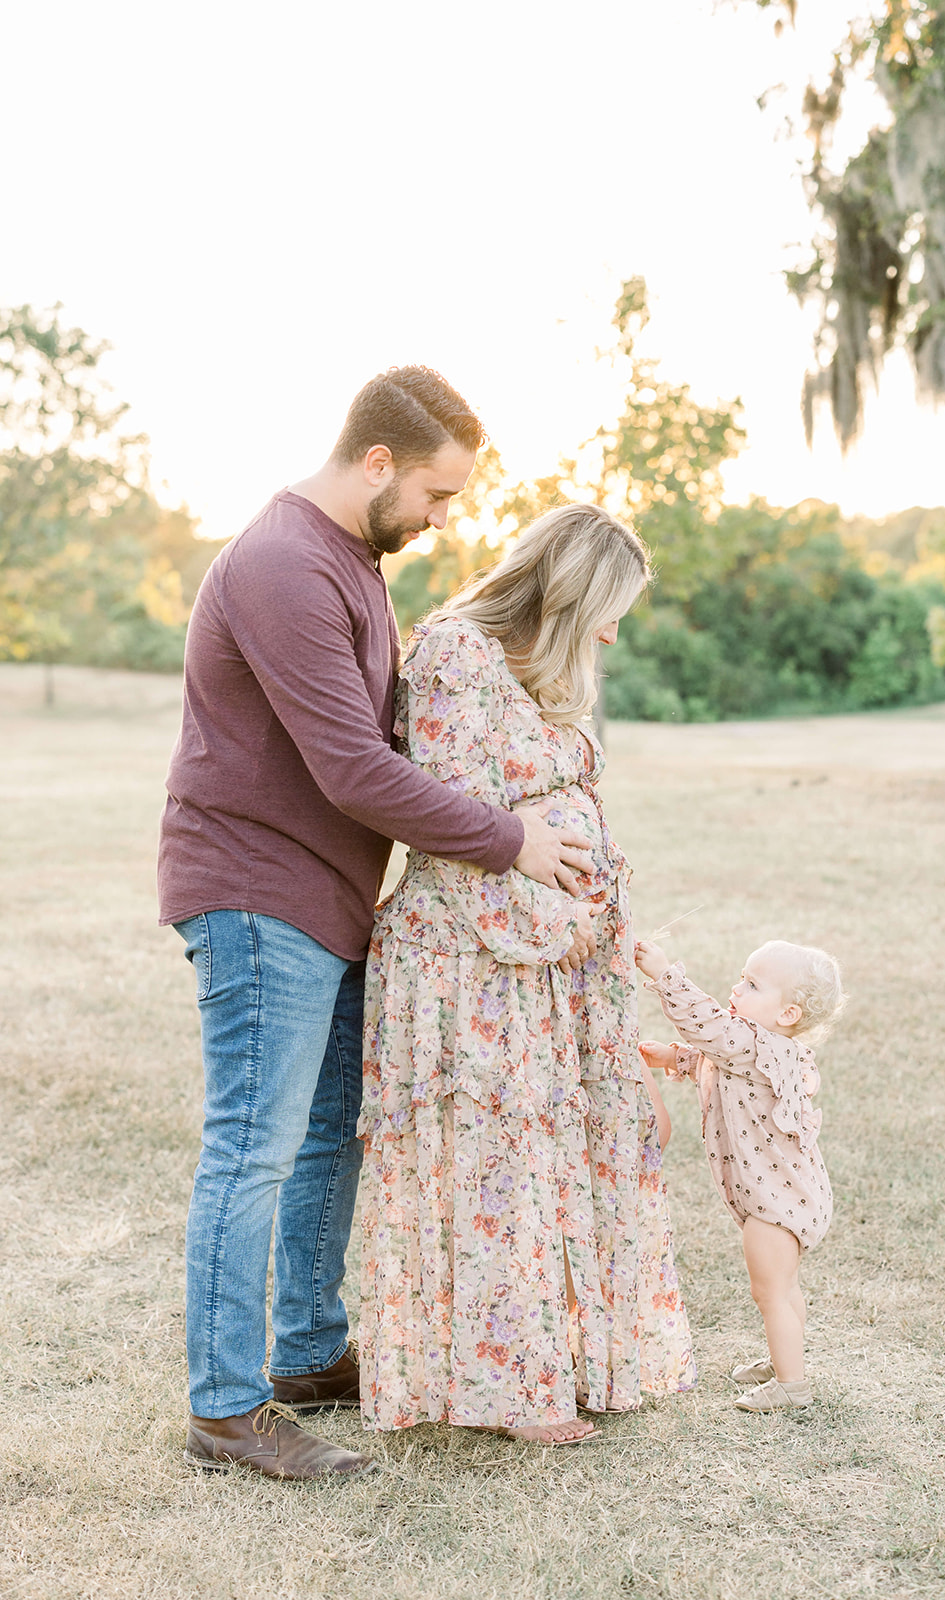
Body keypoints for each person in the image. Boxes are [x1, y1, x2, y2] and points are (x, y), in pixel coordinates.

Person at [158, 367, 594, 1481]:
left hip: (328, 898)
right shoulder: (283, 567)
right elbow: (354, 768)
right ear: (378, 462)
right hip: (259, 892)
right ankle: (225, 1413)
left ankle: (308, 1353)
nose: (442, 521)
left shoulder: (346, 561)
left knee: (319, 1135)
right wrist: (511, 839)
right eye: (436, 497)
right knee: (251, 1148)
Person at [357, 504, 695, 1446]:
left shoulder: (528, 674)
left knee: (538, 1163)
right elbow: (455, 819)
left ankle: (547, 1362)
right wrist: (554, 918)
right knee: (489, 1169)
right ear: (570, 589)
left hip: (540, 967)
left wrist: (584, 924)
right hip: (470, 961)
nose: (614, 630)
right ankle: (504, 1394)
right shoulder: (458, 655)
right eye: (609, 607)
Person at [634, 937, 845, 1412]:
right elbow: (717, 1059)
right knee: (785, 1288)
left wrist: (666, 975)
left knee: (769, 1290)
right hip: (789, 1194)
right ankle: (784, 1356)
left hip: (774, 1204)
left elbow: (709, 1030)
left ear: (788, 1013)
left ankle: (792, 1386)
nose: (737, 987)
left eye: (752, 984)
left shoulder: (755, 1043)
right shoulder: (761, 1050)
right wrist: (674, 1059)